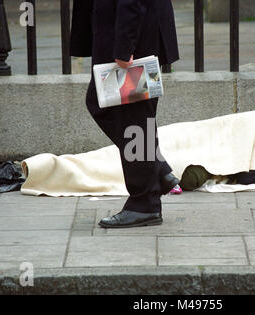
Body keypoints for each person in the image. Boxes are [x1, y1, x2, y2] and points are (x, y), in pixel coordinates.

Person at [70, 0, 179, 228]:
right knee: (124, 112)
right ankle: (156, 169)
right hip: (125, 25)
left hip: (133, 28)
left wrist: (125, 44)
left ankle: (144, 204)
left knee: (133, 117)